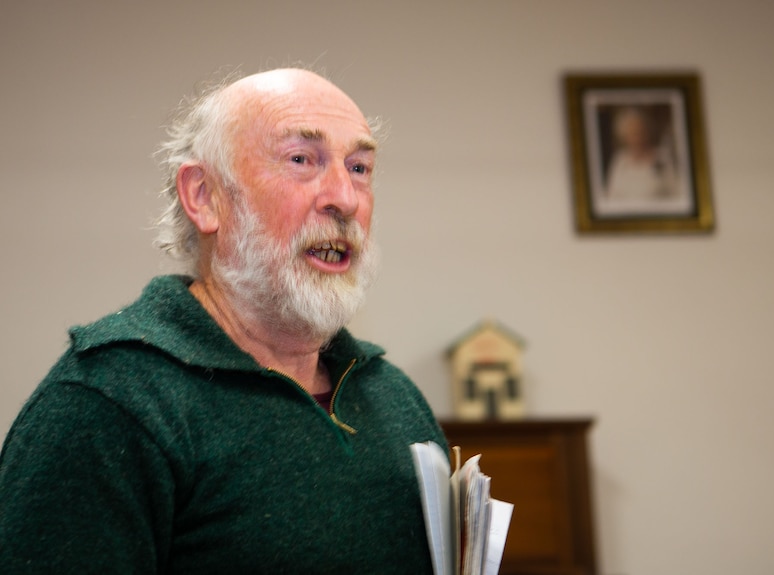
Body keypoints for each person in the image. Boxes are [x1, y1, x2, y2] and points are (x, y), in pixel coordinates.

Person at [0, 68, 447, 574]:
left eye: (360, 168)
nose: (345, 198)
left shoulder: (394, 396)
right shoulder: (107, 404)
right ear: (204, 196)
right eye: (302, 160)